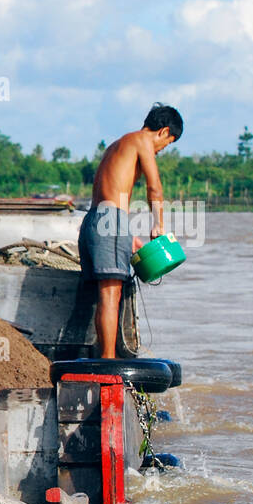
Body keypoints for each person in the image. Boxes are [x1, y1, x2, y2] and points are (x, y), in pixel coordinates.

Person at [78, 103, 182, 358]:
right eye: (166, 144)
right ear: (163, 131)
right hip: (110, 220)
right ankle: (108, 361)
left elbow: (108, 197)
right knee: (111, 296)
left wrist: (128, 236)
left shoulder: (118, 144)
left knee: (103, 295)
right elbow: (154, 187)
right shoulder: (142, 141)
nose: (161, 150)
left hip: (93, 220)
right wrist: (158, 224)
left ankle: (103, 356)